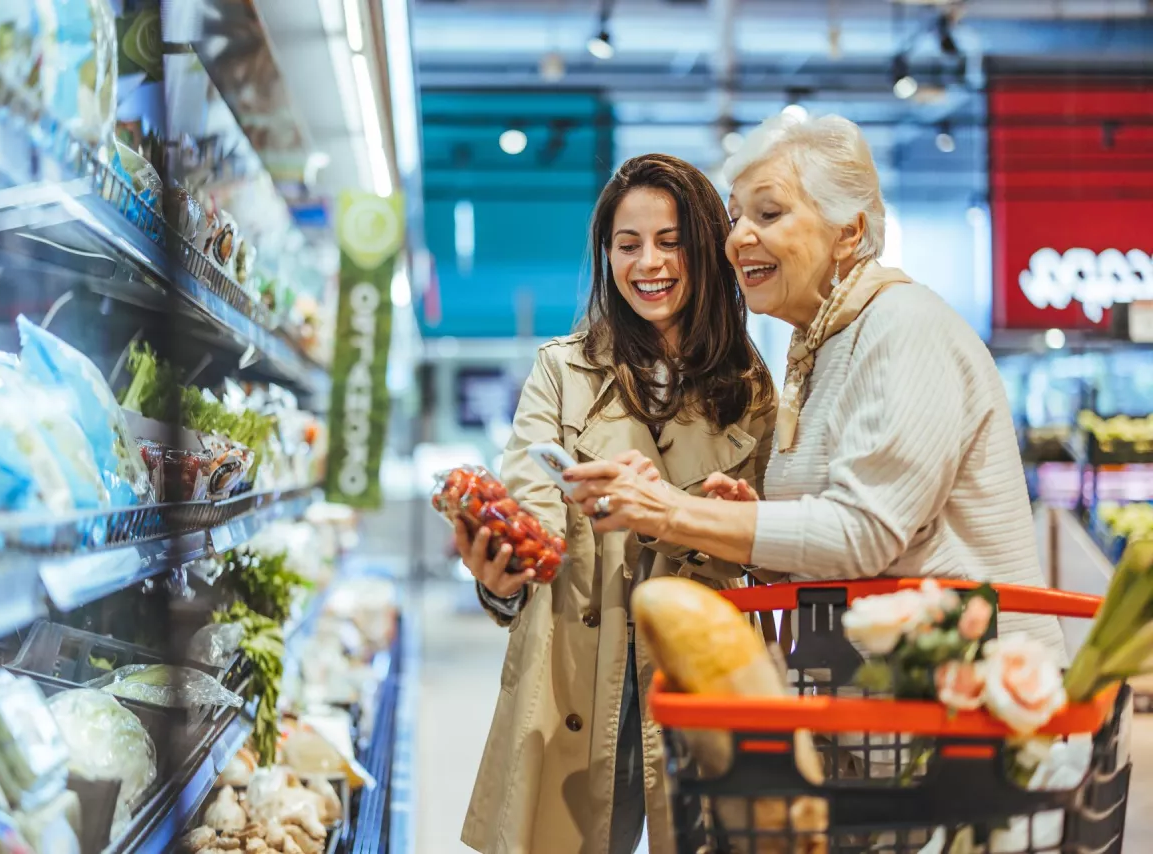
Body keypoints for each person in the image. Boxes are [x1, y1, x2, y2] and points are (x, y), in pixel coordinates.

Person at [562, 113, 1065, 657]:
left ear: (848, 232)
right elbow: (835, 550)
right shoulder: (822, 349)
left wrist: (669, 511)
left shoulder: (901, 325)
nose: (737, 239)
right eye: (735, 218)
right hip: (875, 704)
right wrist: (746, 518)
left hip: (968, 704)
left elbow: (865, 534)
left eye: (769, 213)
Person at [456, 153, 776, 854]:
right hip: (568, 679)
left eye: (670, 241)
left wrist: (734, 518)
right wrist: (502, 578)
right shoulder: (561, 371)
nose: (648, 263)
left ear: (705, 249)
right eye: (627, 244)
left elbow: (773, 543)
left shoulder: (751, 392)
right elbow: (531, 511)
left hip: (692, 683)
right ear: (606, 255)